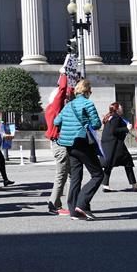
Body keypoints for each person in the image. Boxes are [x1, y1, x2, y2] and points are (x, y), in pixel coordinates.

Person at [53, 79, 104, 220]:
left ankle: (73, 211)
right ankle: (81, 204)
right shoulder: (88, 103)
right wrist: (86, 123)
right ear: (87, 91)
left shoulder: (68, 105)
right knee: (98, 174)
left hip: (69, 144)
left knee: (76, 177)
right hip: (82, 143)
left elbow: (56, 121)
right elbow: (96, 123)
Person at [45, 70, 73, 215]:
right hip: (59, 144)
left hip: (61, 143)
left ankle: (70, 202)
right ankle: (54, 205)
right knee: (61, 174)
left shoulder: (53, 108)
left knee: (69, 174)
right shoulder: (55, 108)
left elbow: (66, 92)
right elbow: (63, 90)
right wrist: (64, 75)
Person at [100, 103, 137, 191]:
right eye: (120, 107)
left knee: (110, 164)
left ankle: (105, 184)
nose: (122, 108)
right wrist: (127, 128)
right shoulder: (116, 117)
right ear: (117, 109)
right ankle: (134, 184)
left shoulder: (110, 117)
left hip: (109, 144)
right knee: (128, 163)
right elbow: (114, 130)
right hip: (115, 145)